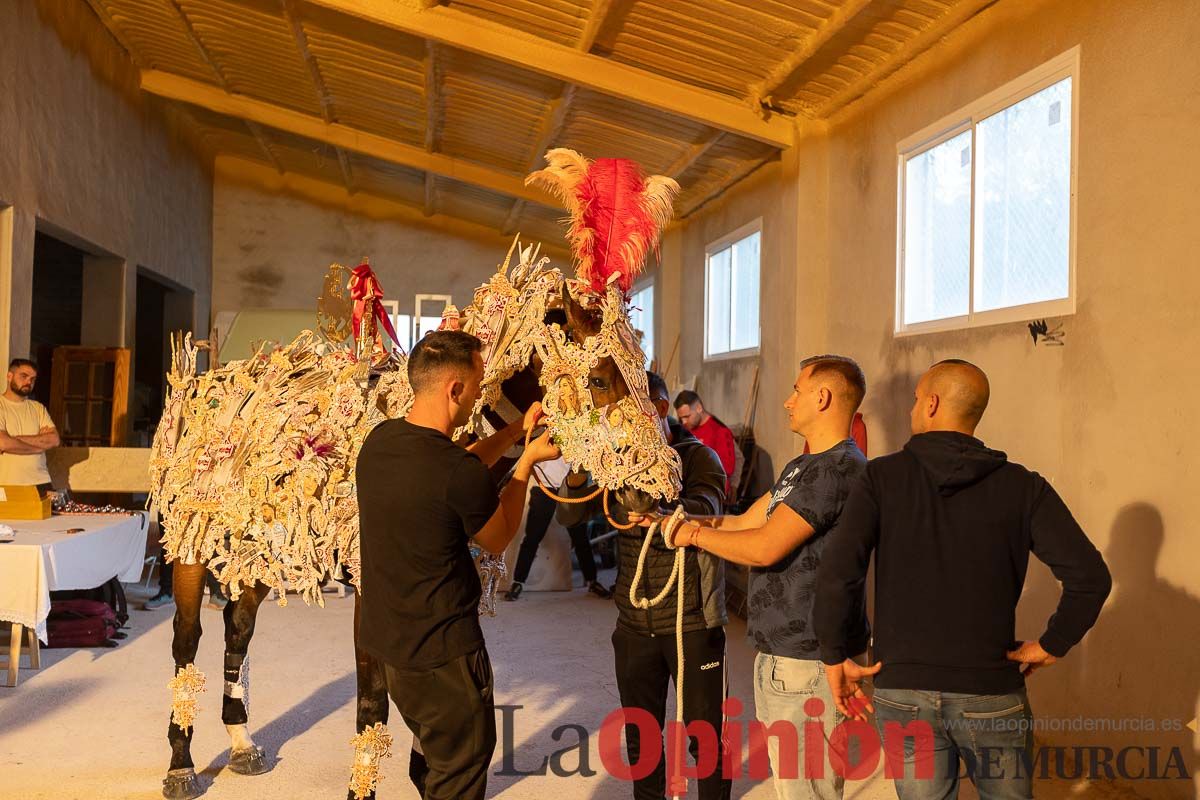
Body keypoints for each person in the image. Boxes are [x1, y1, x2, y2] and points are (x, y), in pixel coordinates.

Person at [816, 359, 1112, 799]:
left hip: (903, 689)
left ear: (932, 404)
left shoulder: (881, 478)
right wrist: (1052, 644)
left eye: (917, 399)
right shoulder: (1023, 487)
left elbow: (841, 569)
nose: (913, 409)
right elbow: (1090, 577)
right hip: (990, 690)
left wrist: (834, 653)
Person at [355, 330, 559, 800]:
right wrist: (526, 462)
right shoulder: (455, 474)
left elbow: (457, 467)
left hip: (392, 652)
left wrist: (510, 434)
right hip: (444, 661)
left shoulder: (380, 443)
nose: (478, 397)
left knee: (435, 764)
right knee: (460, 773)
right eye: (477, 385)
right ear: (454, 390)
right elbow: (499, 535)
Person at [667, 355, 869, 800]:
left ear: (823, 397)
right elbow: (746, 524)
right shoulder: (803, 467)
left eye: (797, 391)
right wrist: (671, 522)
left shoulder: (839, 469)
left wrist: (693, 535)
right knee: (792, 783)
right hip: (781, 653)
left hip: (809, 658)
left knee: (807, 790)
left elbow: (764, 546)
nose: (786, 401)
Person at [560, 370, 731, 800]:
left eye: (630, 410)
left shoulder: (698, 458)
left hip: (692, 620)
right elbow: (570, 517)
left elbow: (708, 505)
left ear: (657, 409)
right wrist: (581, 465)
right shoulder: (618, 458)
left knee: (705, 737)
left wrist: (659, 506)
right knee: (641, 738)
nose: (620, 420)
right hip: (634, 623)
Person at [505, 456, 610, 600]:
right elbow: (526, 458)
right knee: (532, 538)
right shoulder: (541, 437)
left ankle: (592, 581)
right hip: (544, 489)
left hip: (570, 489)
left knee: (581, 539)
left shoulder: (577, 439)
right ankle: (518, 583)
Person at [0, 359, 60, 495]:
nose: (28, 382)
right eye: (24, 376)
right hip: (7, 484)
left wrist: (13, 440)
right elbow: (3, 442)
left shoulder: (38, 408)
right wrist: (39, 444)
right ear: (9, 376)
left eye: (33, 379)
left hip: (41, 482)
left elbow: (54, 440)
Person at [674, 390, 738, 495]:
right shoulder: (686, 430)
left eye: (687, 416)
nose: (684, 422)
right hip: (687, 489)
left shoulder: (720, 431)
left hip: (711, 492)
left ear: (699, 408)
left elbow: (727, 468)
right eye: (681, 418)